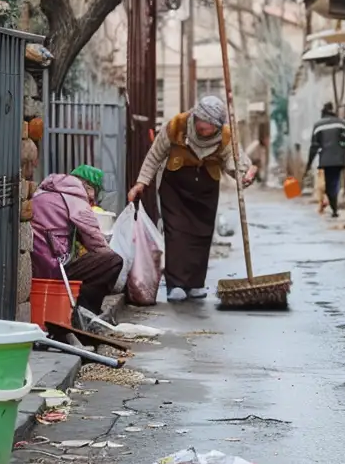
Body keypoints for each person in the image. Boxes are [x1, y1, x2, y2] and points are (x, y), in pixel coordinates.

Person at [128, 93, 254, 300]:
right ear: (195, 118)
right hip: (175, 187)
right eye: (200, 125)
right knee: (176, 233)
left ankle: (196, 283)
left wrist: (244, 174)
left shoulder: (225, 135)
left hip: (206, 189)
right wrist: (141, 183)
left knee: (201, 235)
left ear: (216, 125)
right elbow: (155, 155)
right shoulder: (177, 125)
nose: (203, 130)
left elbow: (233, 161)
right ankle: (176, 285)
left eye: (208, 128)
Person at [31, 164, 124, 324]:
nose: (94, 201)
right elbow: (98, 245)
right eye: (95, 193)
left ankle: (82, 310)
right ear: (87, 187)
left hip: (36, 264)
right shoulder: (76, 199)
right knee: (113, 262)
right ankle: (86, 311)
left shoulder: (46, 192)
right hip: (54, 268)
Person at [307, 102, 345, 216]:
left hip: (326, 160)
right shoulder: (342, 123)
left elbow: (314, 146)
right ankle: (334, 207)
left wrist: (308, 164)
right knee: (335, 181)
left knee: (330, 183)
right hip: (339, 159)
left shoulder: (318, 125)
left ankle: (334, 208)